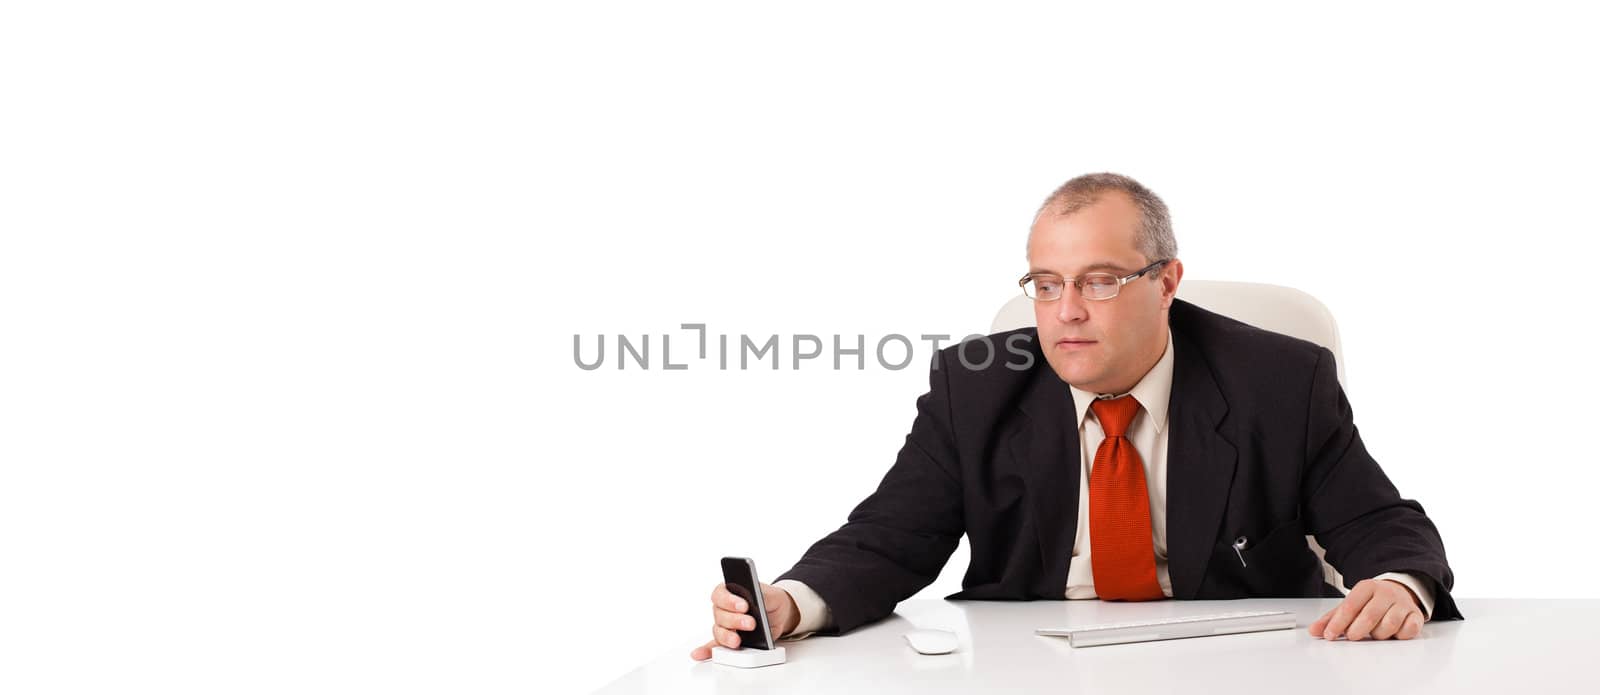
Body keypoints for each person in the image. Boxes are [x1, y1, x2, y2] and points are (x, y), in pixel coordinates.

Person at [690, 173, 1459, 661]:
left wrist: (1398, 582)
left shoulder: (1280, 379)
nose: (1066, 313)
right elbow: (891, 536)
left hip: (1239, 663)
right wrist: (793, 601)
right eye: (1046, 283)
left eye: (1097, 281)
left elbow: (1377, 520)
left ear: (1167, 282)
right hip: (1034, 667)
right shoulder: (976, 385)